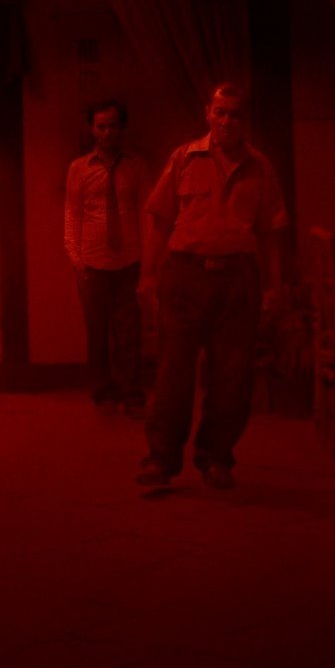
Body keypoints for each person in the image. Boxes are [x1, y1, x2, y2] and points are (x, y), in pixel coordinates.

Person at [136, 83, 289, 490]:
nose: (227, 121)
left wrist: (274, 286)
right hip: (185, 275)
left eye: (234, 114)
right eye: (220, 112)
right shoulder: (184, 158)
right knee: (173, 372)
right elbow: (159, 219)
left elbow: (271, 232)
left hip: (237, 279)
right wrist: (148, 275)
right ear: (208, 113)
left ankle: (216, 458)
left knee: (233, 375)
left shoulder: (259, 167)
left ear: (243, 119)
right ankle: (161, 460)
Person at [63, 99, 151, 416]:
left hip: (129, 261)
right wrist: (76, 259)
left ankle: (131, 391)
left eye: (113, 126)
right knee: (97, 331)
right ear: (92, 129)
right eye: (101, 126)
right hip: (91, 262)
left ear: (122, 128)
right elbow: (72, 215)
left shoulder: (137, 166)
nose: (107, 132)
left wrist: (147, 261)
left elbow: (145, 214)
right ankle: (103, 392)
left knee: (129, 331)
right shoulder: (78, 169)